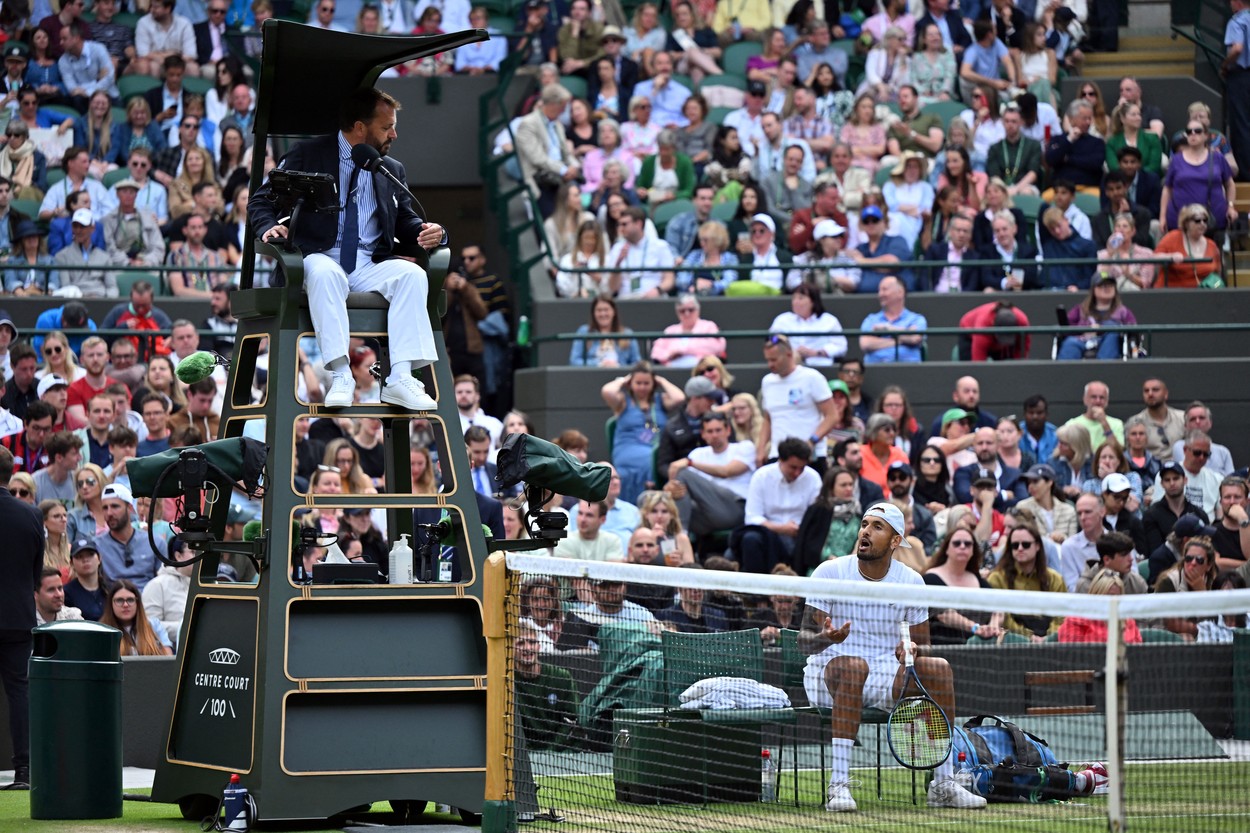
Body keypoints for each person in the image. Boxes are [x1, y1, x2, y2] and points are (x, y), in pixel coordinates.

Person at [252, 88, 442, 411]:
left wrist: (431, 232)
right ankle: (340, 374)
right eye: (386, 127)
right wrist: (268, 226)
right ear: (358, 127)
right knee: (326, 275)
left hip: (368, 263)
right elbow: (262, 200)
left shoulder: (390, 168)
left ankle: (401, 376)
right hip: (318, 257)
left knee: (412, 276)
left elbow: (405, 222)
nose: (393, 134)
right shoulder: (308, 154)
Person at [800, 501, 986, 812]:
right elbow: (803, 643)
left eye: (876, 527)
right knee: (855, 667)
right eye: (864, 524)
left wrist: (912, 649)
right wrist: (825, 637)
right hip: (827, 674)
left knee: (938, 669)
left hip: (885, 673)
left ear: (895, 540)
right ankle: (839, 785)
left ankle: (943, 783)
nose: (865, 532)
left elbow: (925, 645)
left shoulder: (911, 580)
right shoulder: (829, 572)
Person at [601, 362, 684, 503]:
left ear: (653, 384)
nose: (642, 387)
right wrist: (623, 380)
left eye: (647, 383)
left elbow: (680, 398)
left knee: (656, 458)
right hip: (628, 449)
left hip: (655, 448)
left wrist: (662, 381)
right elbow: (607, 391)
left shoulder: (660, 401)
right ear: (631, 383)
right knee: (648, 460)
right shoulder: (623, 402)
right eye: (638, 382)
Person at [736, 438, 822, 573]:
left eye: (802, 468)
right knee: (750, 539)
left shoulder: (813, 478)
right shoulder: (761, 476)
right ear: (781, 460)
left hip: (800, 536)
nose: (797, 473)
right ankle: (756, 591)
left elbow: (815, 517)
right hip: (768, 534)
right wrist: (781, 528)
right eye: (793, 467)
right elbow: (752, 518)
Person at [666, 411, 754, 540]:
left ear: (728, 430)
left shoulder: (744, 447)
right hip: (707, 515)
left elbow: (726, 472)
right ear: (703, 434)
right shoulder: (697, 454)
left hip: (735, 508)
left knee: (684, 473)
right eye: (710, 431)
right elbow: (681, 488)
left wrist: (690, 463)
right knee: (657, 505)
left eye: (718, 430)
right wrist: (671, 487)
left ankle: (679, 539)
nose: (715, 435)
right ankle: (670, 543)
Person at [756, 334, 836, 467]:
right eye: (768, 360)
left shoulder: (812, 377)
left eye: (774, 360)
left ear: (788, 355)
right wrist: (760, 449)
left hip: (809, 456)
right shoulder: (767, 382)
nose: (770, 364)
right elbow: (768, 419)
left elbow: (832, 416)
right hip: (778, 455)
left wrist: (811, 442)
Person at [1162, 119, 1237, 243]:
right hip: (1180, 218)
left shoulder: (1218, 158)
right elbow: (1167, 189)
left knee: (1213, 258)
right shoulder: (1176, 160)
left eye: (1197, 131)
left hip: (1212, 219)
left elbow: (1230, 184)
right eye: (1189, 132)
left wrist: (1230, 206)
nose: (1193, 134)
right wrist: (1162, 216)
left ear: (1206, 135)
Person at [988, 521, 1066, 640]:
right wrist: (1029, 637)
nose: (1020, 548)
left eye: (1025, 544)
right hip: (1012, 642)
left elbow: (1061, 616)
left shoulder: (1055, 579)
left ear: (1038, 546)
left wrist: (1047, 639)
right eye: (1015, 545)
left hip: (1051, 645)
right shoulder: (997, 578)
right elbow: (1004, 618)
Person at [1057, 276, 1137, 361]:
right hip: (1083, 340)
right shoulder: (1081, 309)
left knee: (1113, 333)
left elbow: (1133, 328)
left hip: (1109, 344)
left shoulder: (1123, 311)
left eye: (1110, 285)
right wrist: (1086, 329)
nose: (1106, 288)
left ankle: (1103, 371)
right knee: (1070, 342)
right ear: (1093, 289)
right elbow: (1067, 327)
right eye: (1102, 285)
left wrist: (1103, 328)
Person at [1153, 535, 1218, 640]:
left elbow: (1216, 620)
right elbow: (1171, 624)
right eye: (1188, 559)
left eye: (1199, 560)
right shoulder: (1169, 581)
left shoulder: (1214, 583)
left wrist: (1203, 595)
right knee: (1187, 638)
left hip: (1202, 636)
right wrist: (1200, 630)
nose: (1193, 563)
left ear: (1209, 565)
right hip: (1164, 634)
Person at [767, 284, 846, 367]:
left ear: (813, 301)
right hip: (789, 367)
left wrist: (815, 353)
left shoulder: (829, 320)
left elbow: (841, 347)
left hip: (820, 365)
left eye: (801, 298)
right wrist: (786, 347)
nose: (795, 302)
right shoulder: (782, 319)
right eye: (794, 298)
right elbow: (772, 340)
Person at [858, 276, 926, 364]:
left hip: (910, 371)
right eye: (879, 290)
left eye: (884, 289)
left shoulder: (917, 319)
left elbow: (915, 338)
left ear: (900, 293)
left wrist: (887, 329)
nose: (880, 294)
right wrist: (901, 339)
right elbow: (865, 344)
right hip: (875, 371)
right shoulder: (871, 319)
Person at [1154, 203, 1222, 289]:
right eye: (1197, 220)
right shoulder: (1172, 237)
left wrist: (1212, 288)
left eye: (1205, 220)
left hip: (1202, 297)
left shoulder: (1212, 245)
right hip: (1173, 294)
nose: (1202, 223)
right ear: (1186, 223)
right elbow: (1155, 258)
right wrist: (1170, 256)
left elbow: (1218, 278)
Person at [100, 579, 173, 656]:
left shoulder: (154, 625)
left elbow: (167, 659)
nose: (125, 605)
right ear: (111, 604)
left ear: (137, 603)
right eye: (119, 600)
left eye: (130, 600)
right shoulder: (101, 632)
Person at [649, 294, 725, 369]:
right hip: (671, 371)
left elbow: (717, 347)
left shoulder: (709, 326)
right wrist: (669, 355)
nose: (687, 313)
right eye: (682, 311)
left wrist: (683, 350)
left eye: (691, 310)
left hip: (701, 371)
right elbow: (655, 353)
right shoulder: (670, 330)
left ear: (698, 310)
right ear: (677, 313)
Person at [569, 297, 641, 368]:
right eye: (599, 310)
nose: (603, 314)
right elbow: (574, 361)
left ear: (614, 312)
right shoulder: (584, 331)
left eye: (606, 310)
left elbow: (637, 363)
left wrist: (618, 366)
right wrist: (598, 364)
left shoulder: (627, 334)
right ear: (593, 313)